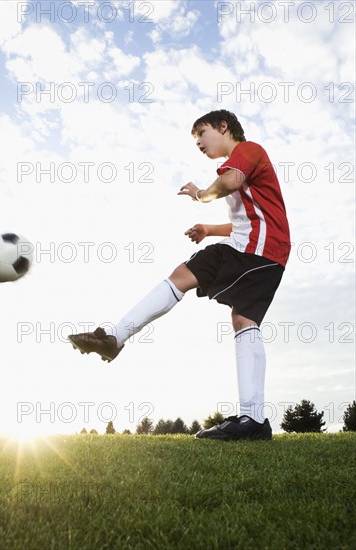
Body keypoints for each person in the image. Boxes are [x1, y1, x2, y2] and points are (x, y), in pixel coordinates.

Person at [68, 109, 291, 441]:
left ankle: (252, 420)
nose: (198, 142)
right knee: (231, 311)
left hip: (260, 252)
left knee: (212, 297)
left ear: (223, 126)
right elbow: (248, 221)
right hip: (257, 250)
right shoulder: (243, 164)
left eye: (201, 133)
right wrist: (209, 229)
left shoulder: (248, 151)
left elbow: (229, 183)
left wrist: (201, 195)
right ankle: (252, 421)